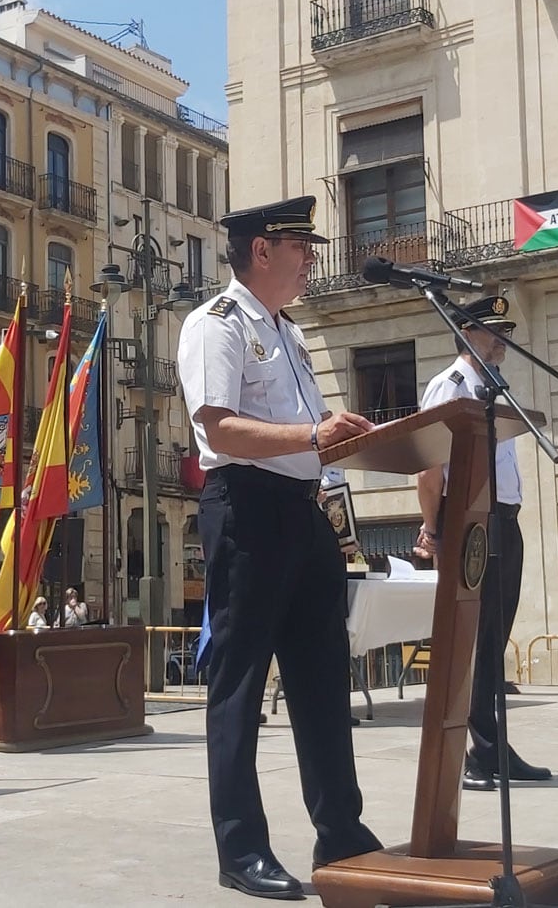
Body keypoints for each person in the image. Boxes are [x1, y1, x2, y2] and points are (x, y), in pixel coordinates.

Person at [179, 195, 382, 900]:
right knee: (238, 685)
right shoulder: (218, 325)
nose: (311, 260)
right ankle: (241, 847)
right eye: (301, 247)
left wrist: (339, 436)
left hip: (302, 511)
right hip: (247, 510)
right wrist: (311, 436)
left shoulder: (288, 332)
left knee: (322, 679)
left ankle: (342, 830)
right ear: (261, 250)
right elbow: (220, 431)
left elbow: (305, 432)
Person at [409, 295, 549, 792]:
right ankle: (478, 753)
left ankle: (492, 747)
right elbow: (430, 468)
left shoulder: (496, 390)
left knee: (493, 639)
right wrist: (434, 529)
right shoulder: (448, 388)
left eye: (505, 331)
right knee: (472, 639)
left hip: (502, 520)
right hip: (468, 522)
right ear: (467, 334)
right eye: (494, 331)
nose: (502, 340)